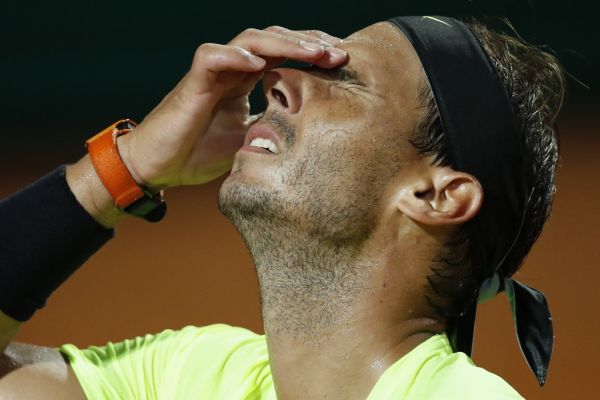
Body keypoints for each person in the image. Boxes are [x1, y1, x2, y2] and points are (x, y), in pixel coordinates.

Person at [0, 15, 564, 399]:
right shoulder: (200, 375)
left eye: (345, 82)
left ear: (437, 196)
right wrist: (123, 170)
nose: (276, 80)